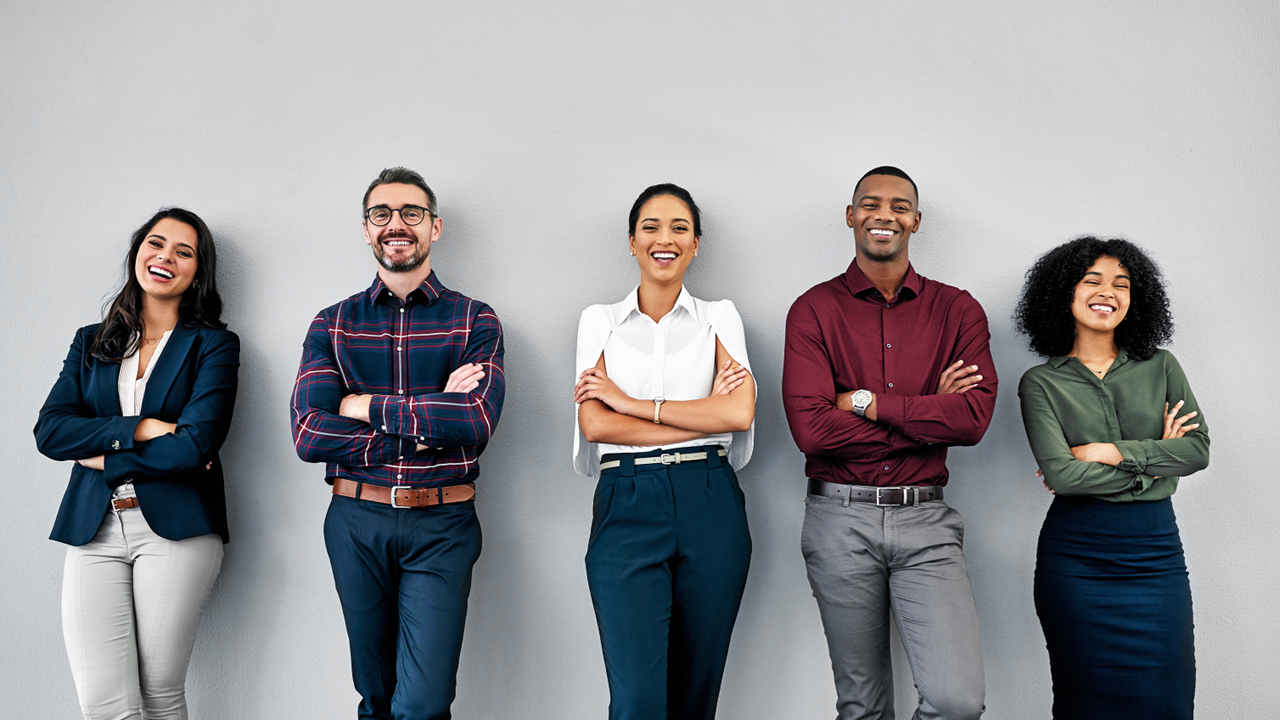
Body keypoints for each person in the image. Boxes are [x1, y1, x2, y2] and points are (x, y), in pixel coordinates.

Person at [291, 166, 505, 720]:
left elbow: (477, 421)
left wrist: (363, 407)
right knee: (377, 698)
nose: (396, 224)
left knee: (423, 703)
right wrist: (432, 428)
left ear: (436, 227)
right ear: (366, 230)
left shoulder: (474, 320)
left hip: (443, 525)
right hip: (355, 521)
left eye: (412, 213)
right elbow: (310, 434)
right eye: (381, 214)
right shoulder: (332, 325)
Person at [782, 166, 995, 720]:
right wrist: (929, 411)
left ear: (916, 221)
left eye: (900, 206)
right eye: (871, 204)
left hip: (926, 520)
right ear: (851, 217)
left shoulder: (957, 310)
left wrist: (862, 402)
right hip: (838, 519)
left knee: (956, 702)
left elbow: (971, 421)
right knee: (863, 707)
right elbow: (810, 430)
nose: (885, 215)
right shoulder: (813, 310)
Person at [34, 207, 239, 719]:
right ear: (137, 254)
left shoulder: (213, 345)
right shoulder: (91, 341)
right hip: (93, 529)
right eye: (156, 243)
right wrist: (142, 428)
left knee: (159, 692)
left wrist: (99, 455)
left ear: (198, 271)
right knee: (102, 702)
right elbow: (51, 431)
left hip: (178, 530)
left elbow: (195, 446)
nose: (165, 257)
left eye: (183, 251)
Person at [572, 183, 755, 720]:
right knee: (638, 704)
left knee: (695, 700)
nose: (665, 239)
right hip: (627, 502)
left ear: (696, 244)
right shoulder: (599, 321)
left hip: (710, 500)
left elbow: (738, 415)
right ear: (632, 241)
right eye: (651, 227)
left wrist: (632, 404)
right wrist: (699, 417)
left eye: (679, 228)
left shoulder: (720, 316)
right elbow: (595, 425)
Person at [1015, 237, 1208, 719]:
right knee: (1085, 704)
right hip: (1077, 561)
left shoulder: (1162, 367)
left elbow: (1197, 450)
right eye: (1092, 280)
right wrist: (1155, 467)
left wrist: (1107, 452)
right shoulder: (1041, 382)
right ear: (1064, 293)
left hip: (1156, 557)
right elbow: (1062, 476)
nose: (1109, 292)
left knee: (1168, 701)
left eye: (1122, 284)